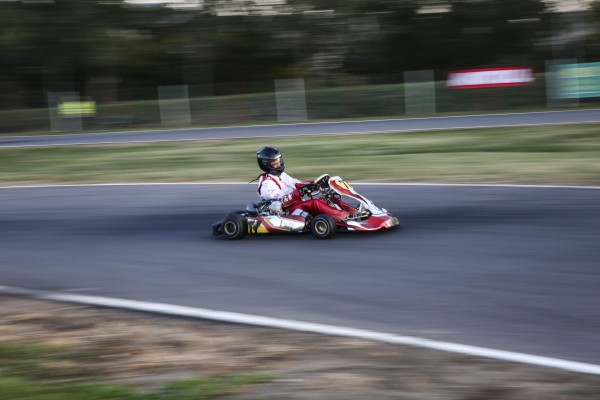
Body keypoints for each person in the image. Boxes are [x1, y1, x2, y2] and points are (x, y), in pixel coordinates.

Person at [255, 146, 361, 221]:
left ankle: (355, 212)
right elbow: (279, 202)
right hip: (286, 212)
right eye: (275, 163)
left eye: (279, 161)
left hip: (297, 204)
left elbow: (297, 183)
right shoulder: (266, 183)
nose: (279, 164)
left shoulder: (282, 175)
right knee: (315, 203)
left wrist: (313, 184)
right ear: (265, 164)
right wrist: (300, 192)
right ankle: (346, 217)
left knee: (330, 198)